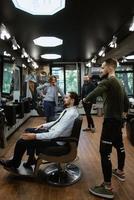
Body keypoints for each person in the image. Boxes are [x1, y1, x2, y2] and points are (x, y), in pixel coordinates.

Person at [83, 58, 129, 199]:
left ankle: (107, 186)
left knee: (105, 152)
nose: (101, 70)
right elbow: (126, 101)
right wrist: (123, 114)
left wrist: (85, 100)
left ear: (109, 68)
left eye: (102, 68)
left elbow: (93, 94)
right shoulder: (120, 82)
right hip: (118, 121)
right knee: (119, 146)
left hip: (110, 122)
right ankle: (120, 172)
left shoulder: (108, 81)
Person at [0, 92, 79, 170]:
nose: (64, 99)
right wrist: (43, 125)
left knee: (22, 141)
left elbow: (56, 133)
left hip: (56, 140)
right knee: (28, 130)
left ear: (72, 100)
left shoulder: (70, 114)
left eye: (66, 98)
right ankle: (31, 159)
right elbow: (57, 122)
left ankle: (14, 163)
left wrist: (35, 136)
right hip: (53, 134)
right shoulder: (68, 111)